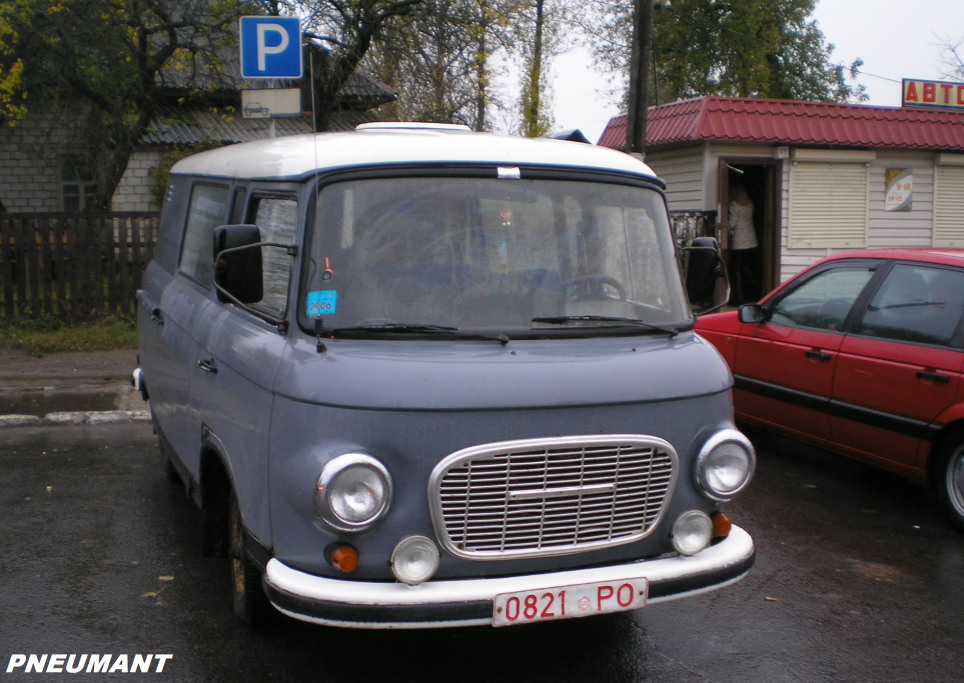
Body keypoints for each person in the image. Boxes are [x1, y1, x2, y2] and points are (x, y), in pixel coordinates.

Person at [728, 185, 759, 304]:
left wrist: (724, 225)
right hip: (752, 239)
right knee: (747, 270)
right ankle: (754, 293)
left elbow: (732, 223)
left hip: (739, 241)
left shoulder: (734, 204)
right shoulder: (750, 203)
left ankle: (739, 298)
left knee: (736, 271)